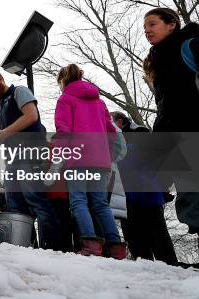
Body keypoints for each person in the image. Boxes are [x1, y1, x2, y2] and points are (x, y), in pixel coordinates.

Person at [142, 7, 199, 267]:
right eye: (145, 27)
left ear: (172, 24)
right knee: (190, 200)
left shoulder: (194, 47)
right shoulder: (158, 61)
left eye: (152, 24)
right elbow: (165, 108)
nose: (147, 30)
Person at [0, 67, 62, 251]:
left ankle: (54, 249)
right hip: (12, 159)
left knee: (35, 198)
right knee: (15, 204)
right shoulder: (1, 107)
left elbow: (31, 116)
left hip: (30, 153)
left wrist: (5, 132)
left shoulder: (20, 91)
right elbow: (9, 133)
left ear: (0, 78)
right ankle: (25, 248)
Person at [54, 64, 126, 259]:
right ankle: (116, 248)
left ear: (63, 81)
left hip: (78, 158)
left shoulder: (65, 99)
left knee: (78, 201)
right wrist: (107, 154)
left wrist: (57, 159)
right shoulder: (99, 102)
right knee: (101, 204)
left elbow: (64, 131)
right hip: (101, 159)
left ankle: (91, 245)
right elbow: (111, 131)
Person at [110, 111, 178, 265]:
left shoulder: (142, 134)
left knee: (158, 234)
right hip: (126, 197)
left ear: (120, 122)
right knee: (134, 238)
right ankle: (144, 267)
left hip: (149, 193)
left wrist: (164, 186)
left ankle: (170, 266)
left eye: (111, 121)